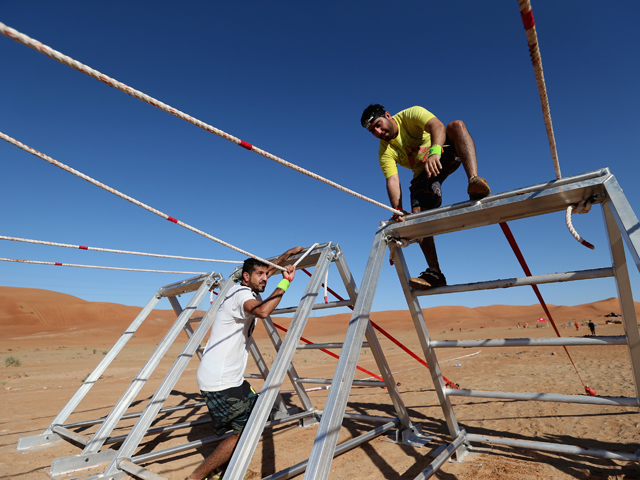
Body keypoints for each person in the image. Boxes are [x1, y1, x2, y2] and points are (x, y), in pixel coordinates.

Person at [187, 246, 304, 480]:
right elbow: (261, 312)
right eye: (259, 275)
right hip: (221, 380)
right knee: (246, 431)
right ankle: (198, 476)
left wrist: (284, 257)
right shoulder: (242, 295)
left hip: (231, 378)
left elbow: (264, 274)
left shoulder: (240, 288)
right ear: (246, 277)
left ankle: (225, 468)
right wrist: (285, 283)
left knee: (258, 415)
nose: (265, 279)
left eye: (265, 274)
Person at [361, 104, 491, 290]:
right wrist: (396, 209)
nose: (378, 131)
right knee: (417, 217)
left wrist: (435, 151)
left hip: (442, 152)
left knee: (456, 125)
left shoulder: (410, 114)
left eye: (378, 124)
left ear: (388, 115)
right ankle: (435, 273)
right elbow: (393, 180)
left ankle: (474, 181)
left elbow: (437, 126)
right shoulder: (385, 151)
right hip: (424, 174)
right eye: (373, 130)